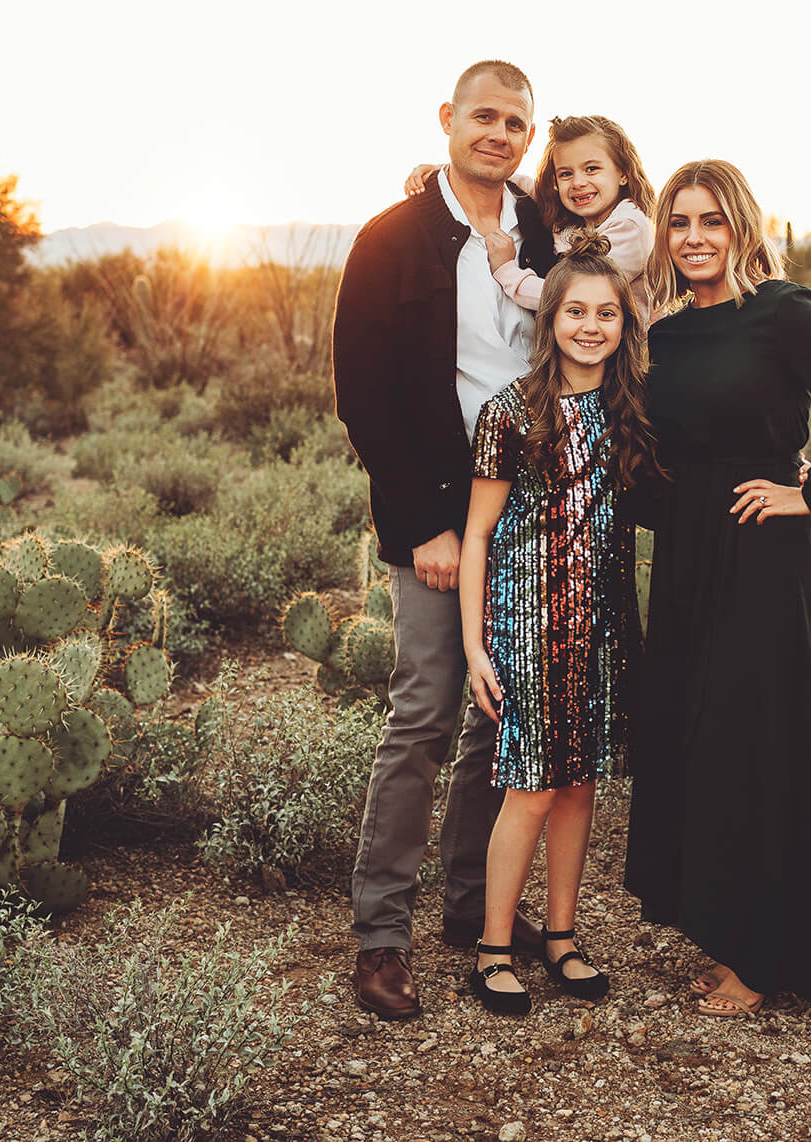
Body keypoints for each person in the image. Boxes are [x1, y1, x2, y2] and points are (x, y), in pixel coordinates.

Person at [622, 159, 811, 1015]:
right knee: (699, 736)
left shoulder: (783, 314)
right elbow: (655, 451)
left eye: (711, 221)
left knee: (759, 740)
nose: (695, 238)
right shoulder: (664, 336)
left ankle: (769, 955)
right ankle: (723, 928)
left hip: (763, 550)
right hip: (685, 553)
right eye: (680, 223)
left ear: (742, 227)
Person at [332, 59, 558, 1021]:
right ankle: (382, 937)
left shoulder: (542, 232)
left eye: (516, 122)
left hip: (528, 509)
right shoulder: (392, 240)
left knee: (499, 721)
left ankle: (473, 913)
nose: (499, 134)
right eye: (485, 117)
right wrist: (423, 521)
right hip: (438, 515)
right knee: (425, 714)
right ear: (447, 120)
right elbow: (363, 393)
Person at [457, 241, 656, 1014]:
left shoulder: (629, 408)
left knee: (578, 789)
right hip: (529, 623)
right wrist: (476, 646)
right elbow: (477, 534)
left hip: (601, 624)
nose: (591, 326)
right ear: (550, 319)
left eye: (607, 313)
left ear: (624, 324)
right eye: (576, 311)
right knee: (532, 792)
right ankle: (493, 947)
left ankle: (563, 938)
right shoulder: (510, 411)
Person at [405, 114, 657, 324]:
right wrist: (449, 172)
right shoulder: (572, 216)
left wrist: (506, 270)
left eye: (592, 169)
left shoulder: (630, 227)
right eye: (566, 173)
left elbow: (573, 296)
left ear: (622, 173)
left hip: (620, 363)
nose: (578, 182)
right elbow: (520, 183)